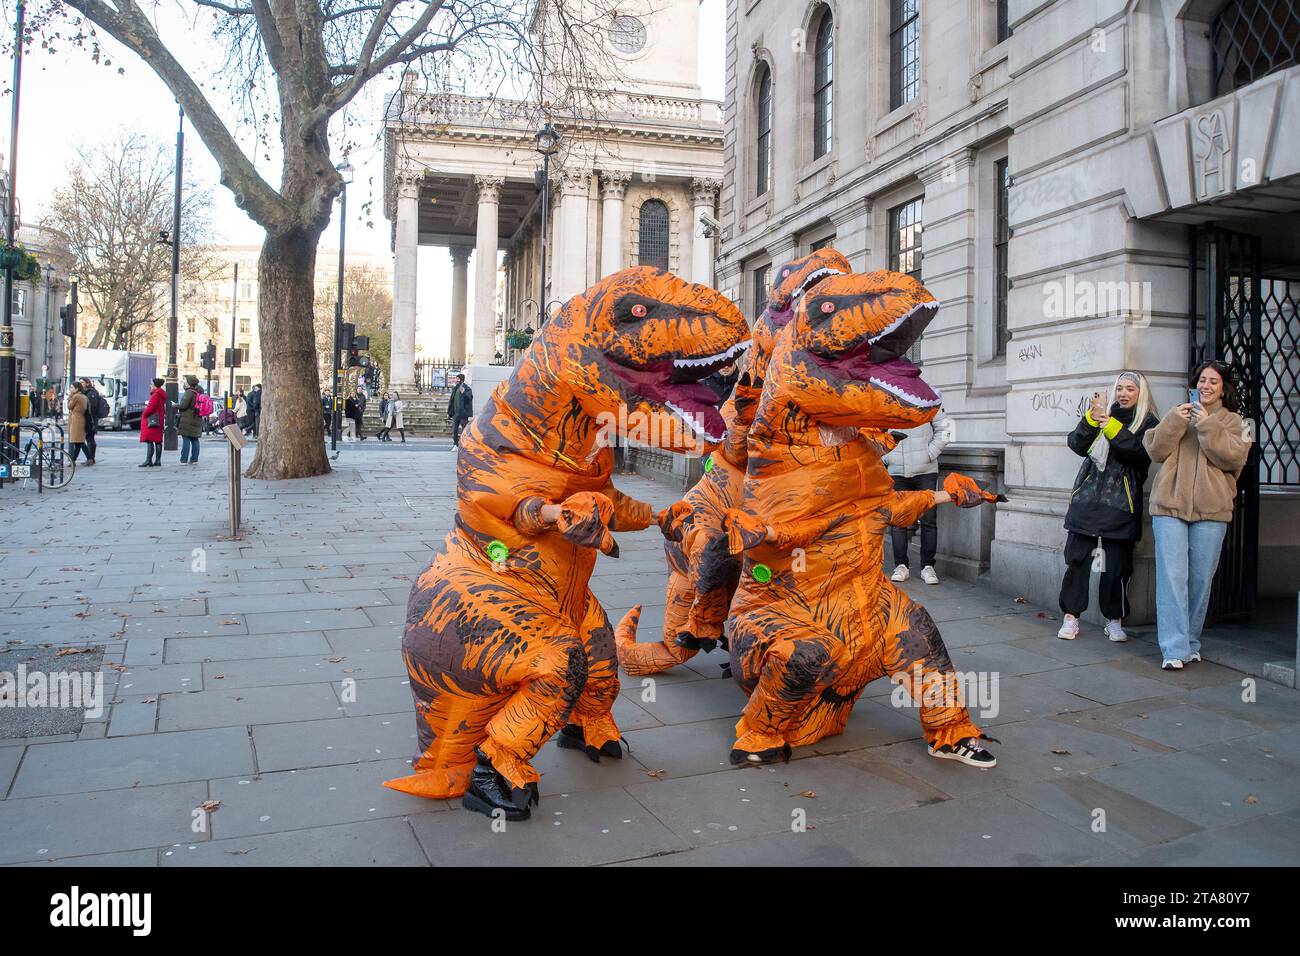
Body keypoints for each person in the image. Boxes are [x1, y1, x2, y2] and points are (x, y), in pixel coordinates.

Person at [1143, 360, 1251, 670]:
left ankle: (1190, 640)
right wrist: (1175, 423)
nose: (1205, 386)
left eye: (1213, 382)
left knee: (1201, 579)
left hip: (1212, 510)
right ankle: (1174, 649)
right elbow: (1155, 451)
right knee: (1172, 577)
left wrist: (1207, 425)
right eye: (1202, 380)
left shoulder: (1236, 422)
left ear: (1223, 389)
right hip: (1169, 506)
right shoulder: (1178, 413)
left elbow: (1233, 458)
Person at [1056, 371, 1159, 642]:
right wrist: (1092, 419)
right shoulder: (1102, 413)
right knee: (1076, 561)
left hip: (1121, 504)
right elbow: (1076, 443)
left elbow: (1139, 455)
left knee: (1116, 567)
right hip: (1087, 499)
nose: (1124, 394)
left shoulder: (1148, 422)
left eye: (1131, 389)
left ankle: (1114, 620)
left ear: (1141, 394)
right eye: (1120, 388)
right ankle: (1071, 617)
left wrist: (1110, 427)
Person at [885, 408, 952, 585]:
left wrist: (929, 454)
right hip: (896, 471)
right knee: (898, 520)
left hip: (926, 471)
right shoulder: (887, 395)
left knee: (929, 520)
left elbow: (947, 427)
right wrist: (885, 457)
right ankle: (901, 566)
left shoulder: (927, 397)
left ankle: (928, 566)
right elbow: (873, 430)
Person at [139, 377, 166, 467]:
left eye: (151, 384)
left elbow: (151, 407)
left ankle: (148, 460)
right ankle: (157, 460)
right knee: (158, 440)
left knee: (150, 440)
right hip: (159, 419)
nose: (150, 385)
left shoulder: (155, 395)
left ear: (155, 385)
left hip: (153, 420)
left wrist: (144, 414)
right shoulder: (160, 394)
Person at [178, 375, 204, 464]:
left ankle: (184, 459)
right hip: (197, 418)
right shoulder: (199, 392)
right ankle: (194, 459)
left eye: (186, 382)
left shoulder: (189, 392)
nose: (185, 383)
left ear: (189, 384)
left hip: (188, 419)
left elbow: (183, 406)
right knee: (195, 439)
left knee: (186, 439)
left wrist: (176, 405)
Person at [78, 377, 101, 465]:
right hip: (88, 419)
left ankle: (91, 458)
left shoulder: (91, 393)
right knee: (89, 439)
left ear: (87, 383)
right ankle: (90, 458)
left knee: (90, 439)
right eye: (80, 382)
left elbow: (92, 407)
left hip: (91, 420)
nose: (81, 384)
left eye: (82, 382)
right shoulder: (86, 393)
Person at [66, 381, 90, 464]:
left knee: (78, 442)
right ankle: (74, 460)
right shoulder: (83, 396)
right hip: (81, 419)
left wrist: (70, 397)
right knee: (79, 442)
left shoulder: (76, 396)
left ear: (77, 388)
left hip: (76, 421)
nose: (71, 389)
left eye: (72, 387)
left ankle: (73, 460)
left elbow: (69, 406)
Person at [447, 373, 473, 446]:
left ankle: (464, 444)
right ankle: (456, 444)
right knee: (454, 430)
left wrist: (463, 392)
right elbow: (451, 401)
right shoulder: (455, 388)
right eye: (456, 378)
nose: (456, 380)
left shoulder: (467, 388)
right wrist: (450, 412)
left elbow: (469, 398)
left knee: (464, 430)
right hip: (456, 413)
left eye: (457, 379)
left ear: (461, 379)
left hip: (463, 413)